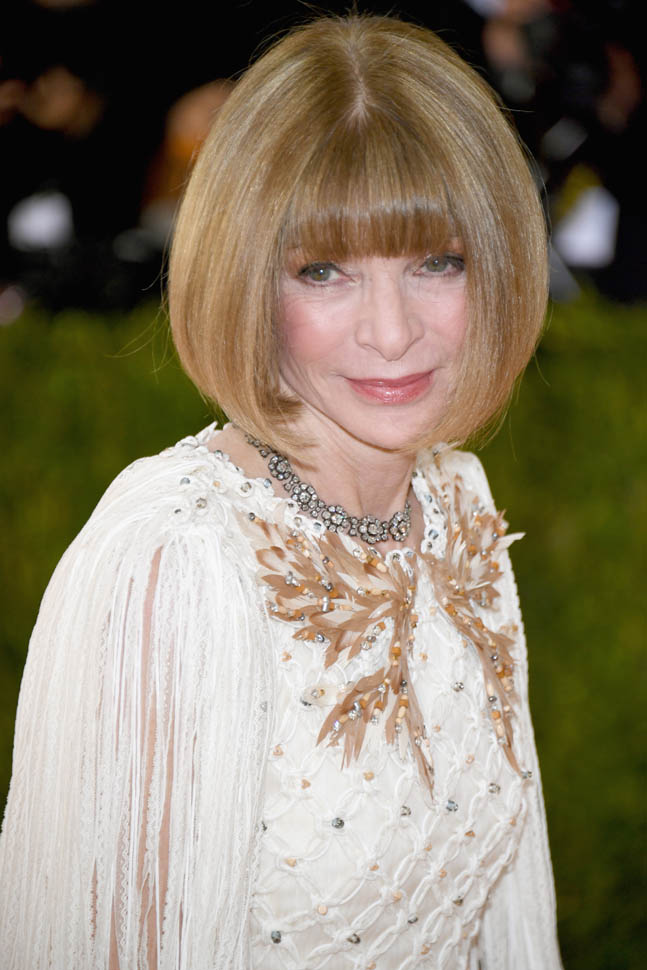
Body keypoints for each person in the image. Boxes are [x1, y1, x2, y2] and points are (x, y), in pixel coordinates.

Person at [0, 13, 563, 970]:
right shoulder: (177, 562)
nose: (391, 331)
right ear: (246, 280)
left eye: (437, 262)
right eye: (324, 271)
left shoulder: (455, 504)